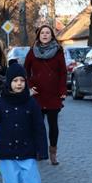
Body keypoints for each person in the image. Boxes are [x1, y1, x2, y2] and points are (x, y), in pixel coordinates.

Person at [24, 24, 67, 165]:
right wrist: (29, 87)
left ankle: (53, 153)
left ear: (51, 35)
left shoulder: (58, 51)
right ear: (39, 35)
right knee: (37, 124)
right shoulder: (32, 51)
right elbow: (25, 70)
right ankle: (39, 151)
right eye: (42, 33)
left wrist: (62, 91)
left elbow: (63, 73)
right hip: (37, 94)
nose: (45, 35)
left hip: (53, 94)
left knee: (53, 125)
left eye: (48, 33)